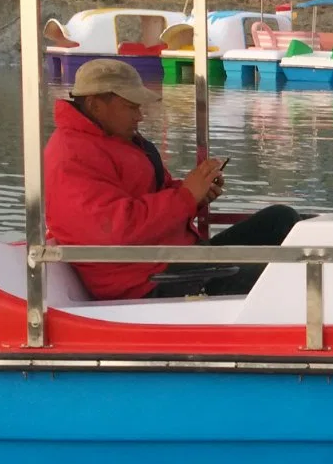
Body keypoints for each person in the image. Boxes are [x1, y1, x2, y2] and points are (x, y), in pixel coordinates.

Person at [44, 58, 298, 300]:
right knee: (285, 275)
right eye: (131, 107)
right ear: (95, 104)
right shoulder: (72, 154)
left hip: (175, 257)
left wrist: (197, 193)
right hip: (145, 281)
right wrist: (187, 195)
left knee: (280, 218)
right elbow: (116, 230)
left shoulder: (118, 141)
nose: (139, 116)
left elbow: (158, 196)